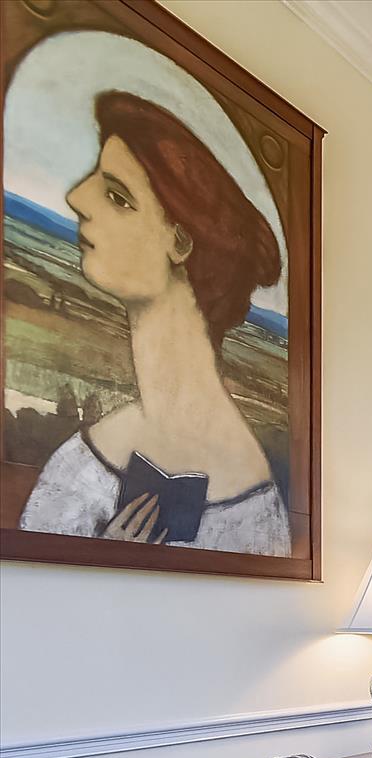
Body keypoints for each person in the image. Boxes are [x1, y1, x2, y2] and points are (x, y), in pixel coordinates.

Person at [19, 91, 288, 555]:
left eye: (118, 197)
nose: (76, 198)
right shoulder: (85, 456)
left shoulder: (255, 513)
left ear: (180, 244)